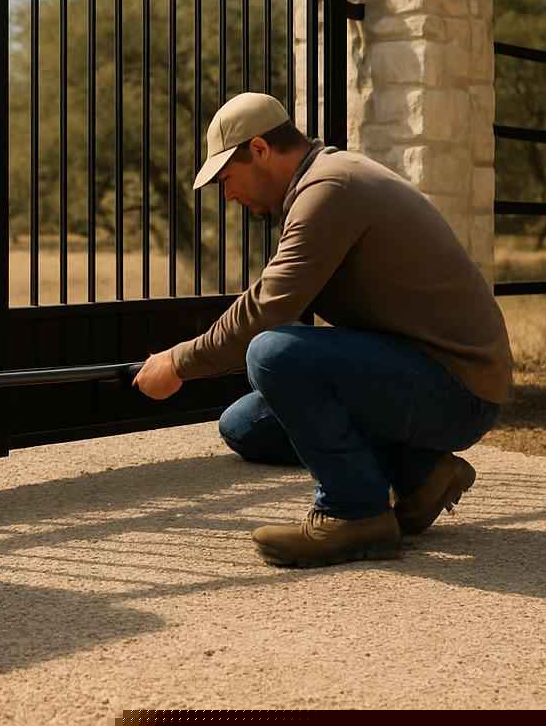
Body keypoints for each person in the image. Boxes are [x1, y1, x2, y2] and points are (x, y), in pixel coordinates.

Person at [132, 91, 512, 568]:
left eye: (226, 178)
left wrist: (179, 362)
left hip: (458, 390)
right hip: (420, 373)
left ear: (259, 149)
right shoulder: (322, 183)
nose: (226, 194)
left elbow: (267, 308)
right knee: (245, 426)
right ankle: (422, 472)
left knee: (272, 354)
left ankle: (354, 512)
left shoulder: (330, 189)